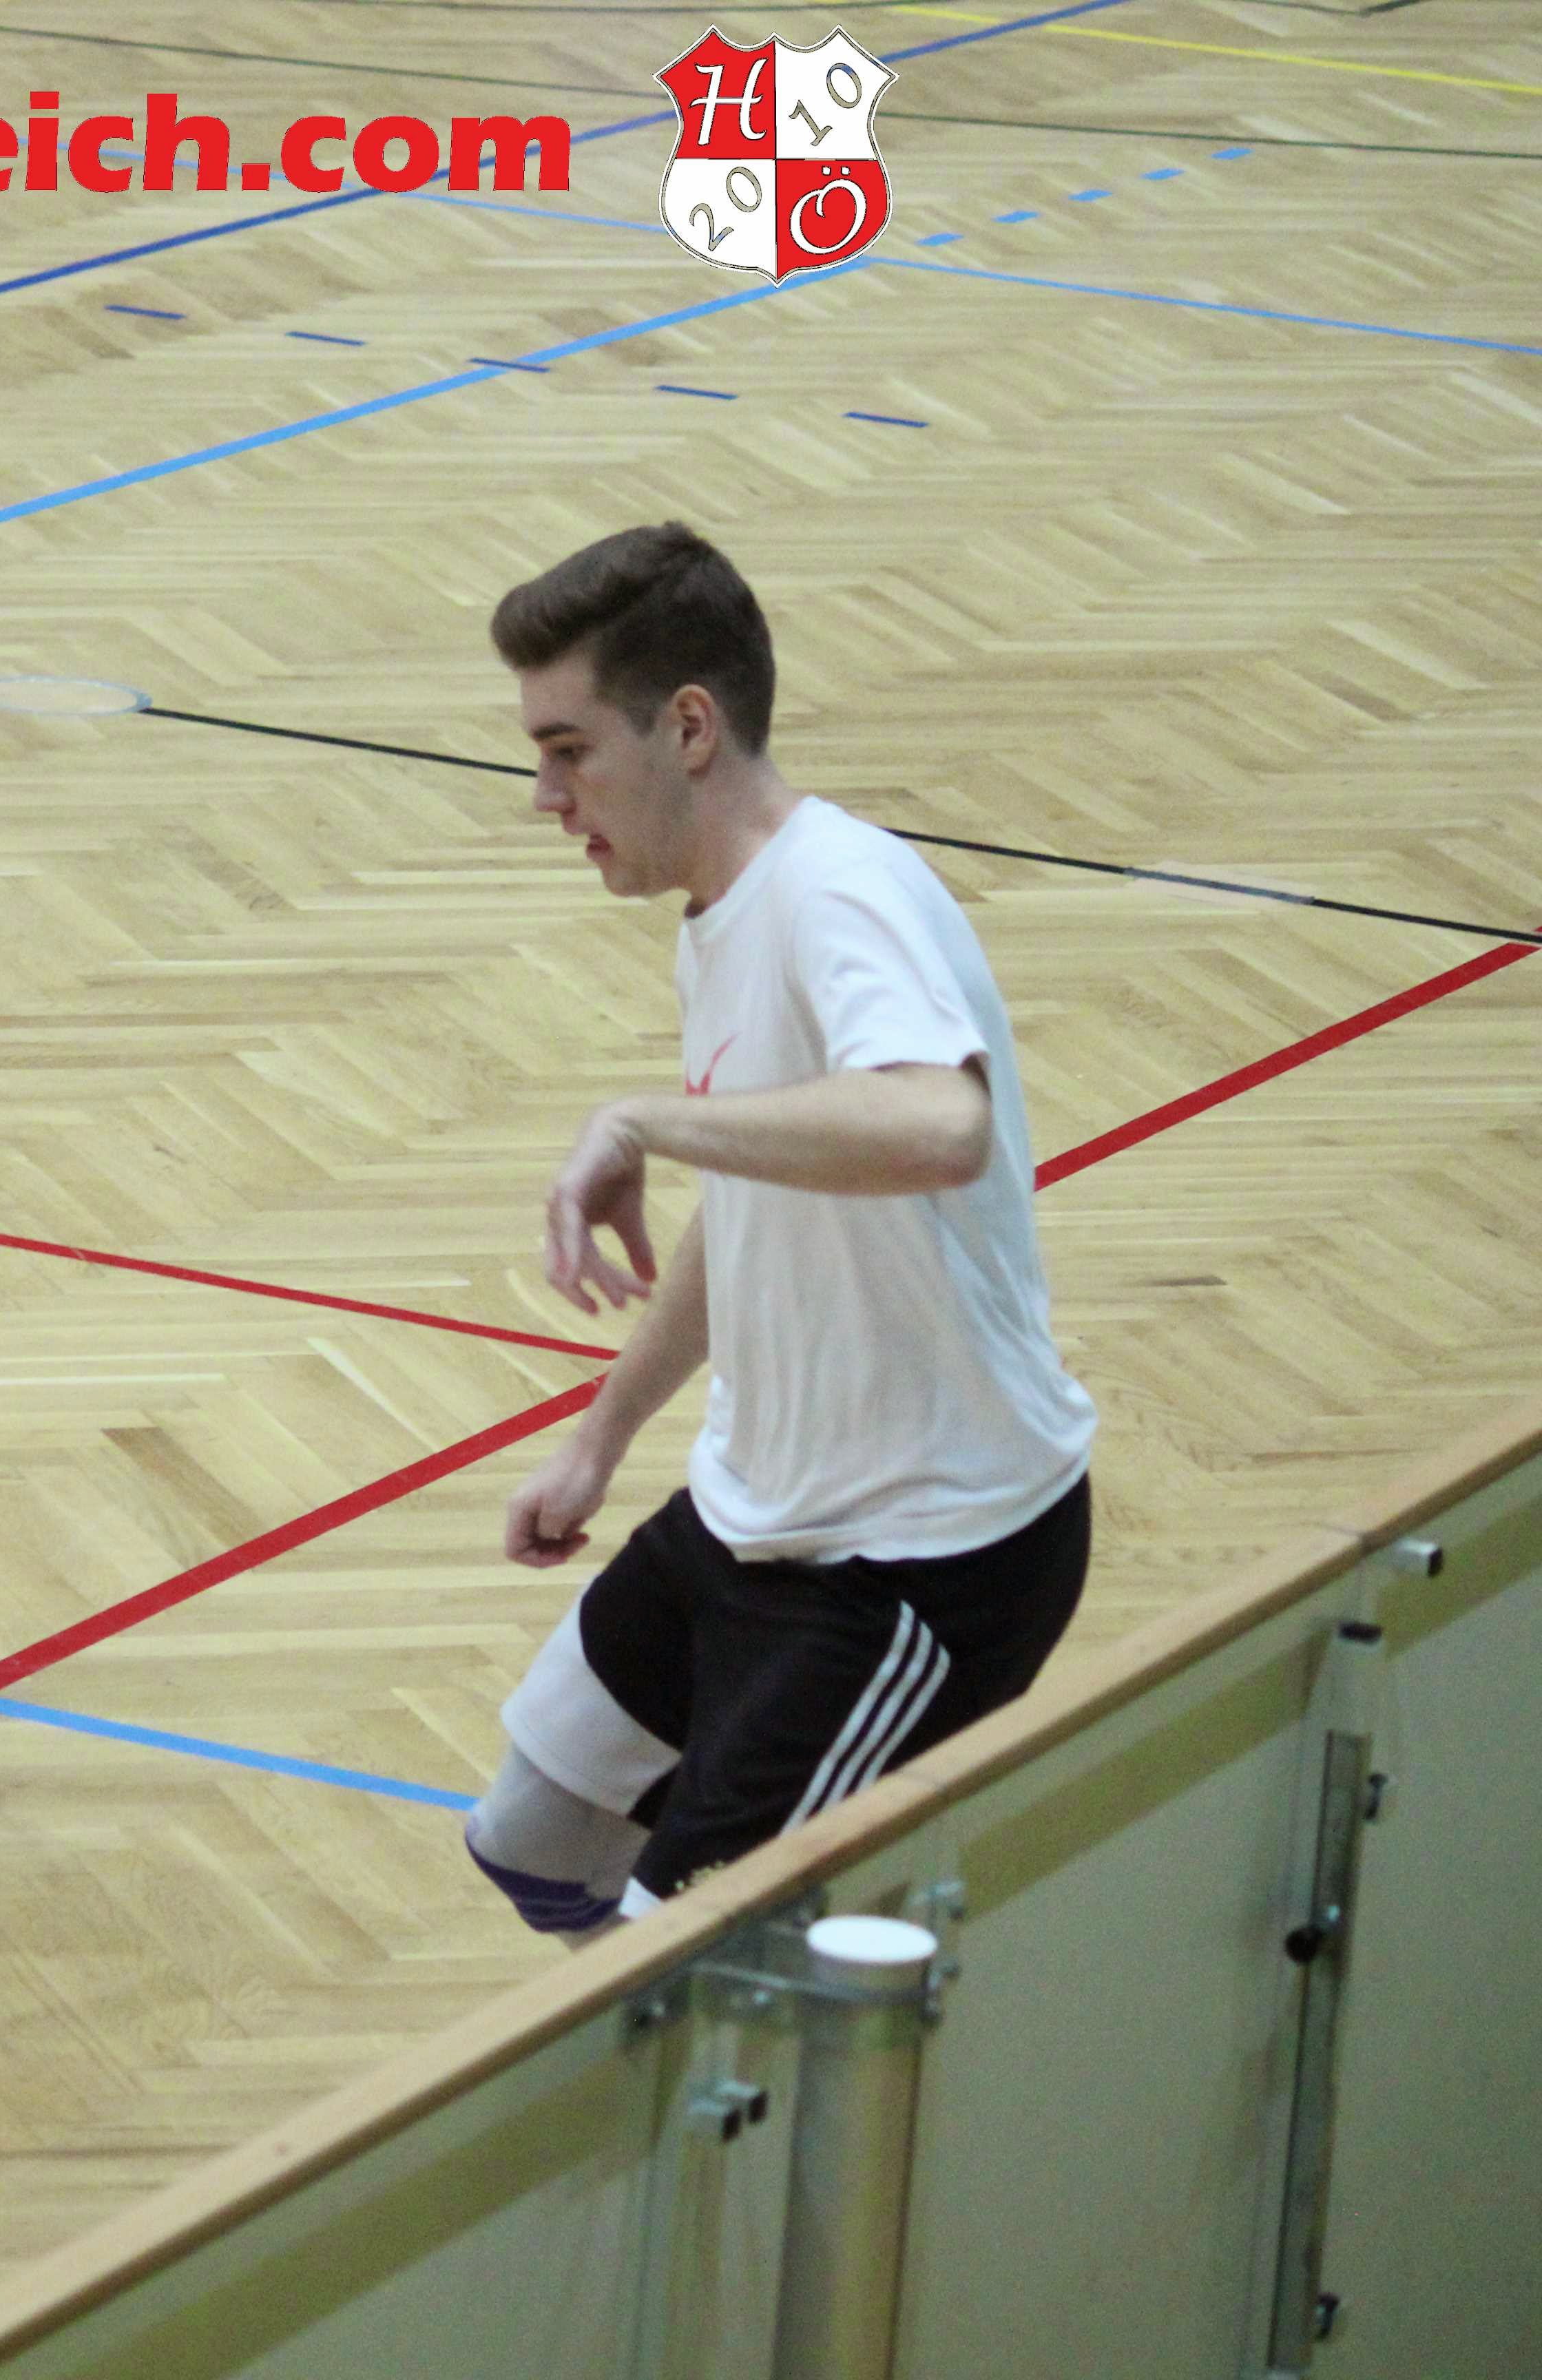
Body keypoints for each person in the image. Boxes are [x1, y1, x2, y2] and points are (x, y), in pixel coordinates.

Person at [463, 523, 1096, 1937]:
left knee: (680, 1966)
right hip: (758, 1510)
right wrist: (599, 1441)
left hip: (919, 1561)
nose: (546, 797)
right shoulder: (723, 907)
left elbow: (940, 1124)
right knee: (533, 1841)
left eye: (569, 751)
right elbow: (759, 1203)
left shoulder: (837, 894)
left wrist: (645, 1122)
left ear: (688, 728)